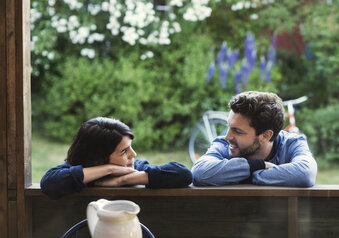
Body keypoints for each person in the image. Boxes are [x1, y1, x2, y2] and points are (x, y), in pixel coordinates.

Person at [41, 117, 192, 199]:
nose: (133, 154)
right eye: (124, 151)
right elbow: (49, 183)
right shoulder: (75, 170)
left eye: (131, 147)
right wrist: (109, 169)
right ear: (98, 158)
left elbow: (183, 174)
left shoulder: (132, 169)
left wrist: (123, 180)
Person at [192, 91, 317, 187]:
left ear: (265, 136)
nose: (227, 136)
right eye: (228, 127)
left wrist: (246, 175)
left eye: (237, 131)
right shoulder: (224, 144)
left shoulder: (292, 143)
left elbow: (306, 174)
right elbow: (199, 173)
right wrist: (259, 165)